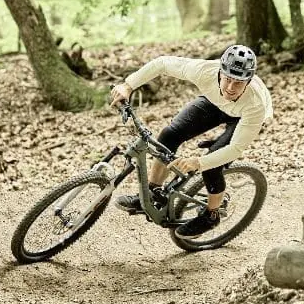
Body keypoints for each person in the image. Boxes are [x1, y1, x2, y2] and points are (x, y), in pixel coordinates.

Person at [108, 44, 272, 238]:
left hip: (242, 116)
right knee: (169, 135)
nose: (230, 87)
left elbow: (235, 148)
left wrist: (198, 162)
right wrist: (128, 85)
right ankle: (152, 194)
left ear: (249, 80)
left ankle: (211, 215)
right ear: (220, 71)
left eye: (238, 83)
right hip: (214, 101)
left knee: (212, 165)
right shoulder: (204, 71)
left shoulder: (256, 104)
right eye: (227, 79)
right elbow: (162, 64)